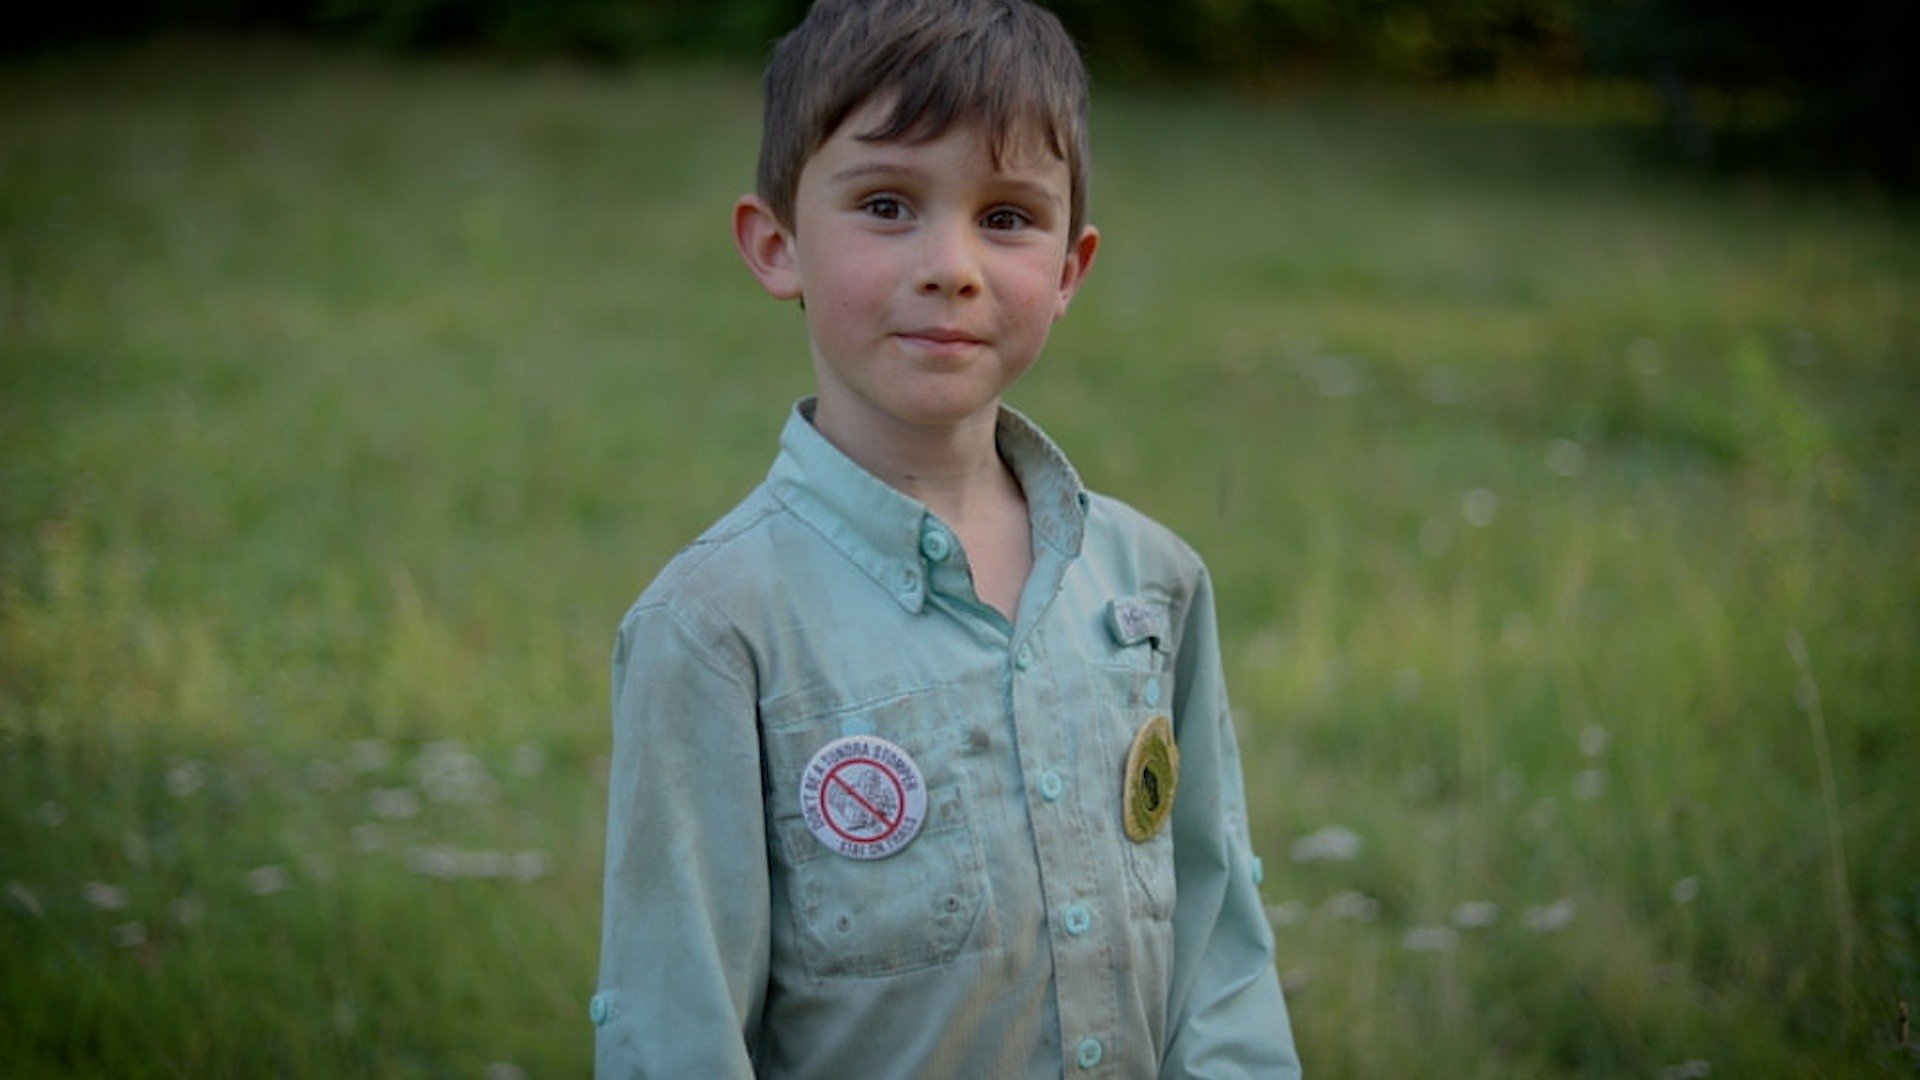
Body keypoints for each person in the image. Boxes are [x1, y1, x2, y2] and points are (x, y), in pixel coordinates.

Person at [592, 0, 1302, 1075]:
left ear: (1071, 268)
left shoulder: (1152, 585)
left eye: (1008, 217)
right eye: (887, 204)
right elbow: (675, 1026)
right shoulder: (714, 630)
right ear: (776, 245)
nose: (953, 265)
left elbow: (1218, 941)